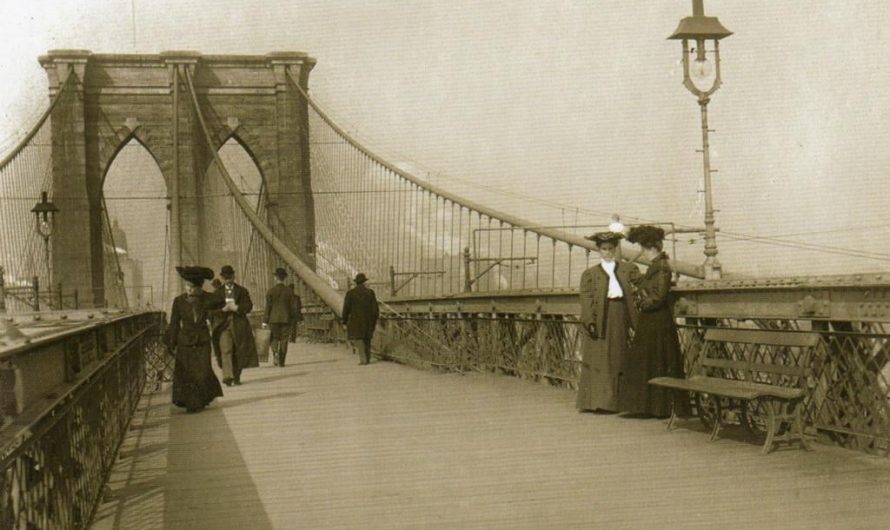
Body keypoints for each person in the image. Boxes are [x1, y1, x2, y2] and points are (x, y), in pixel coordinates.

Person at [618, 225, 690, 418]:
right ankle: (654, 407)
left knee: (653, 360)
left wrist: (640, 301)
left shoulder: (661, 268)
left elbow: (658, 296)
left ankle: (657, 407)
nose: (643, 252)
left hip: (657, 321)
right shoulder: (657, 267)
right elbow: (652, 289)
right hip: (654, 321)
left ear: (653, 248)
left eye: (645, 248)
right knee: (653, 360)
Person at [577, 231, 640, 413]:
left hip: (620, 316)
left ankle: (618, 402)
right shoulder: (590, 274)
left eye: (611, 248)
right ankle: (600, 402)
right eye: (604, 249)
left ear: (615, 249)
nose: (607, 252)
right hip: (600, 319)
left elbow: (641, 285)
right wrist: (590, 321)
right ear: (599, 250)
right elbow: (586, 299)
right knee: (600, 359)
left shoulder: (627, 269)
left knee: (618, 357)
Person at [165, 266, 226, 413]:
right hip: (185, 341)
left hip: (202, 341)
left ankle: (201, 399)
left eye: (192, 287)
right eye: (187, 286)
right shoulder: (178, 301)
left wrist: (204, 293)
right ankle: (192, 403)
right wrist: (170, 342)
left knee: (202, 371)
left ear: (198, 287)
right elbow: (174, 323)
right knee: (187, 374)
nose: (189, 289)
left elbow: (222, 300)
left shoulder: (206, 299)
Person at [211, 265, 259, 385]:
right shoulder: (217, 293)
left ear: (234, 276)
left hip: (239, 324)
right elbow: (211, 311)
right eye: (226, 277)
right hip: (223, 325)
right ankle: (227, 376)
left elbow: (248, 306)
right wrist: (223, 310)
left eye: (230, 277)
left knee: (239, 349)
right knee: (225, 349)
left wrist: (237, 307)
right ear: (222, 278)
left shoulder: (242, 291)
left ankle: (236, 376)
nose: (228, 279)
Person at [263, 267, 300, 367]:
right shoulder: (289, 291)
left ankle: (275, 352)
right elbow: (294, 307)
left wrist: (265, 321)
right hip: (286, 319)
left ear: (275, 278)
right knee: (284, 339)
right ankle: (282, 361)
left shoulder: (270, 291)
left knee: (274, 338)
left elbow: (268, 307)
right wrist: (296, 319)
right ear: (285, 278)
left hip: (273, 319)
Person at [342, 272, 379, 365]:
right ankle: (368, 358)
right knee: (367, 338)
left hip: (356, 320)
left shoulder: (350, 293)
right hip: (368, 320)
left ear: (356, 282)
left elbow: (346, 308)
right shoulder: (370, 292)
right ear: (364, 282)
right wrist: (374, 319)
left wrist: (344, 321)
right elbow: (375, 309)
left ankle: (363, 359)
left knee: (359, 338)